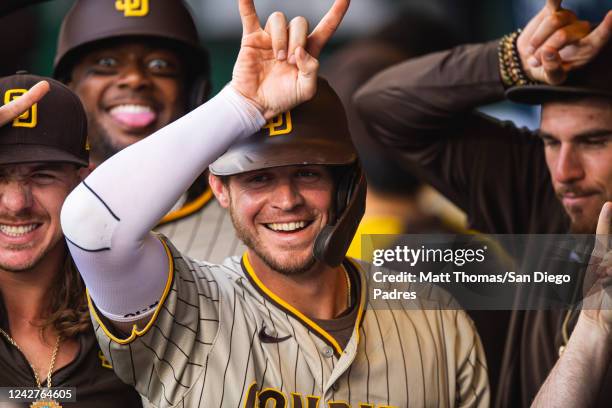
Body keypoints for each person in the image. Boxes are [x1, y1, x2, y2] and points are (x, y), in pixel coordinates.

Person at [60, 0, 489, 406]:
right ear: (220, 188)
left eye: (307, 172)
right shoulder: (189, 306)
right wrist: (241, 106)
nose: (286, 200)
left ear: (346, 182)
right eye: (259, 178)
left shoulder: (437, 318)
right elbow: (92, 225)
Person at [355, 0, 612, 406]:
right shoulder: (537, 186)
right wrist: (511, 60)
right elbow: (381, 105)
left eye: (593, 141)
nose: (565, 169)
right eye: (550, 140)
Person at [54, 0, 243, 262]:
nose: (134, 78)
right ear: (68, 91)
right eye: (106, 62)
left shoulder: (250, 224)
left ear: (194, 94)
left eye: (160, 66)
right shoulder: (32, 219)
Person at [0, 73, 142, 406]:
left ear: (83, 184)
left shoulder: (129, 303)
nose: (16, 204)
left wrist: (240, 109)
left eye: (42, 175)